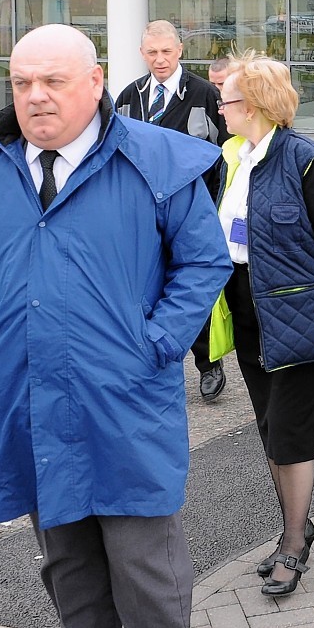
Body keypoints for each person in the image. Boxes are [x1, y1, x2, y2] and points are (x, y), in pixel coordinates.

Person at [0, 24, 232, 628]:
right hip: (28, 399)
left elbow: (203, 264)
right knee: (66, 563)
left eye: (53, 81)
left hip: (122, 401)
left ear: (94, 83)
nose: (35, 97)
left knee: (146, 571)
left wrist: (155, 342)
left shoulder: (158, 162)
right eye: (22, 82)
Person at [216, 53, 314, 598]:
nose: (219, 107)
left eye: (226, 99)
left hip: (300, 316)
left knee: (289, 431)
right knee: (268, 428)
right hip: (250, 312)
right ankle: (293, 528)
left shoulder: (307, 160)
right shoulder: (238, 158)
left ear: (252, 105)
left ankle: (294, 542)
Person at [115, 20, 230, 404]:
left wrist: (218, 205)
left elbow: (226, 153)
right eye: (152, 52)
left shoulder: (205, 94)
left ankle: (208, 363)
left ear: (180, 50)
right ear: (142, 54)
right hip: (141, 212)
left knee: (190, 285)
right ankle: (149, 363)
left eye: (166, 51)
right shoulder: (129, 96)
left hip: (192, 211)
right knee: (146, 289)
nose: (159, 59)